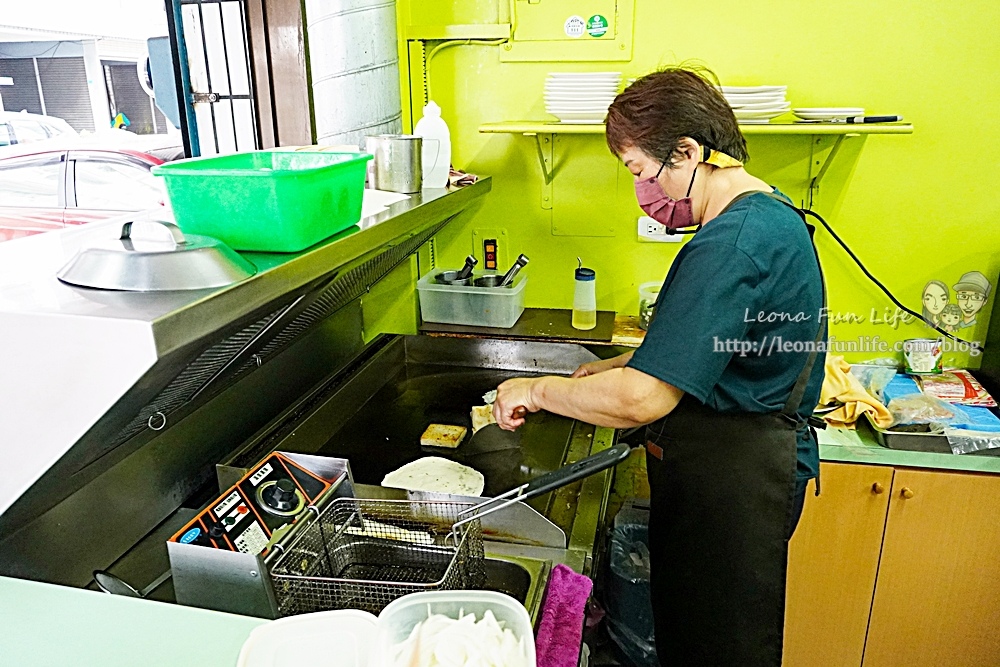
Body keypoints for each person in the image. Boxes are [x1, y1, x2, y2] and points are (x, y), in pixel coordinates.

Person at [492, 66, 827, 666]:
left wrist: (535, 389)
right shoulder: (769, 215)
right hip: (745, 468)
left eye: (640, 172)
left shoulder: (730, 243)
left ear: (688, 152)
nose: (642, 192)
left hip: (735, 483)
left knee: (715, 649)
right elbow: (722, 344)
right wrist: (621, 363)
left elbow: (642, 400)